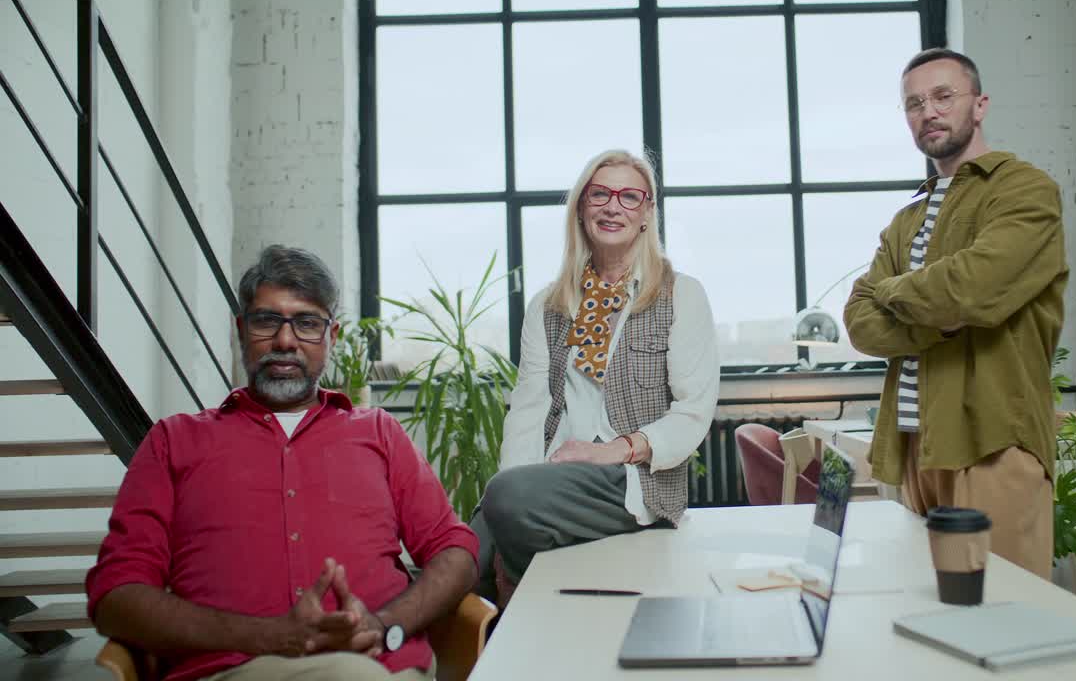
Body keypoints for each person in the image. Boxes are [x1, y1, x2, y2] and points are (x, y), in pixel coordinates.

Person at [87, 245, 478, 681]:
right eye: (267, 321)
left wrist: (384, 625)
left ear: (331, 337)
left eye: (307, 323)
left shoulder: (380, 432)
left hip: (382, 667)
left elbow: (454, 551)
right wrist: (268, 636)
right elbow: (117, 596)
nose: (286, 341)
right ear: (241, 330)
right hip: (234, 672)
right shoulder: (173, 442)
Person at [843, 48, 1068, 579]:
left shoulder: (1025, 190)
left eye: (944, 96)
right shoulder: (907, 218)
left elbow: (969, 291)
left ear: (980, 104)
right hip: (915, 446)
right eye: (914, 103)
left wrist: (891, 290)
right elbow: (859, 321)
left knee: (1003, 606)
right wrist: (936, 318)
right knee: (926, 608)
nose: (929, 112)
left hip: (991, 441)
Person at [472, 149, 719, 602]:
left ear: (647, 213)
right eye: (600, 194)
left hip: (630, 479)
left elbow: (692, 413)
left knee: (506, 505)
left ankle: (524, 596)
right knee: (463, 558)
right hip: (549, 475)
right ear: (582, 208)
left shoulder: (681, 294)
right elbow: (528, 409)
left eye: (629, 196)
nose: (612, 207)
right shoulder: (548, 305)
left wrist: (611, 451)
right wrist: (513, 487)